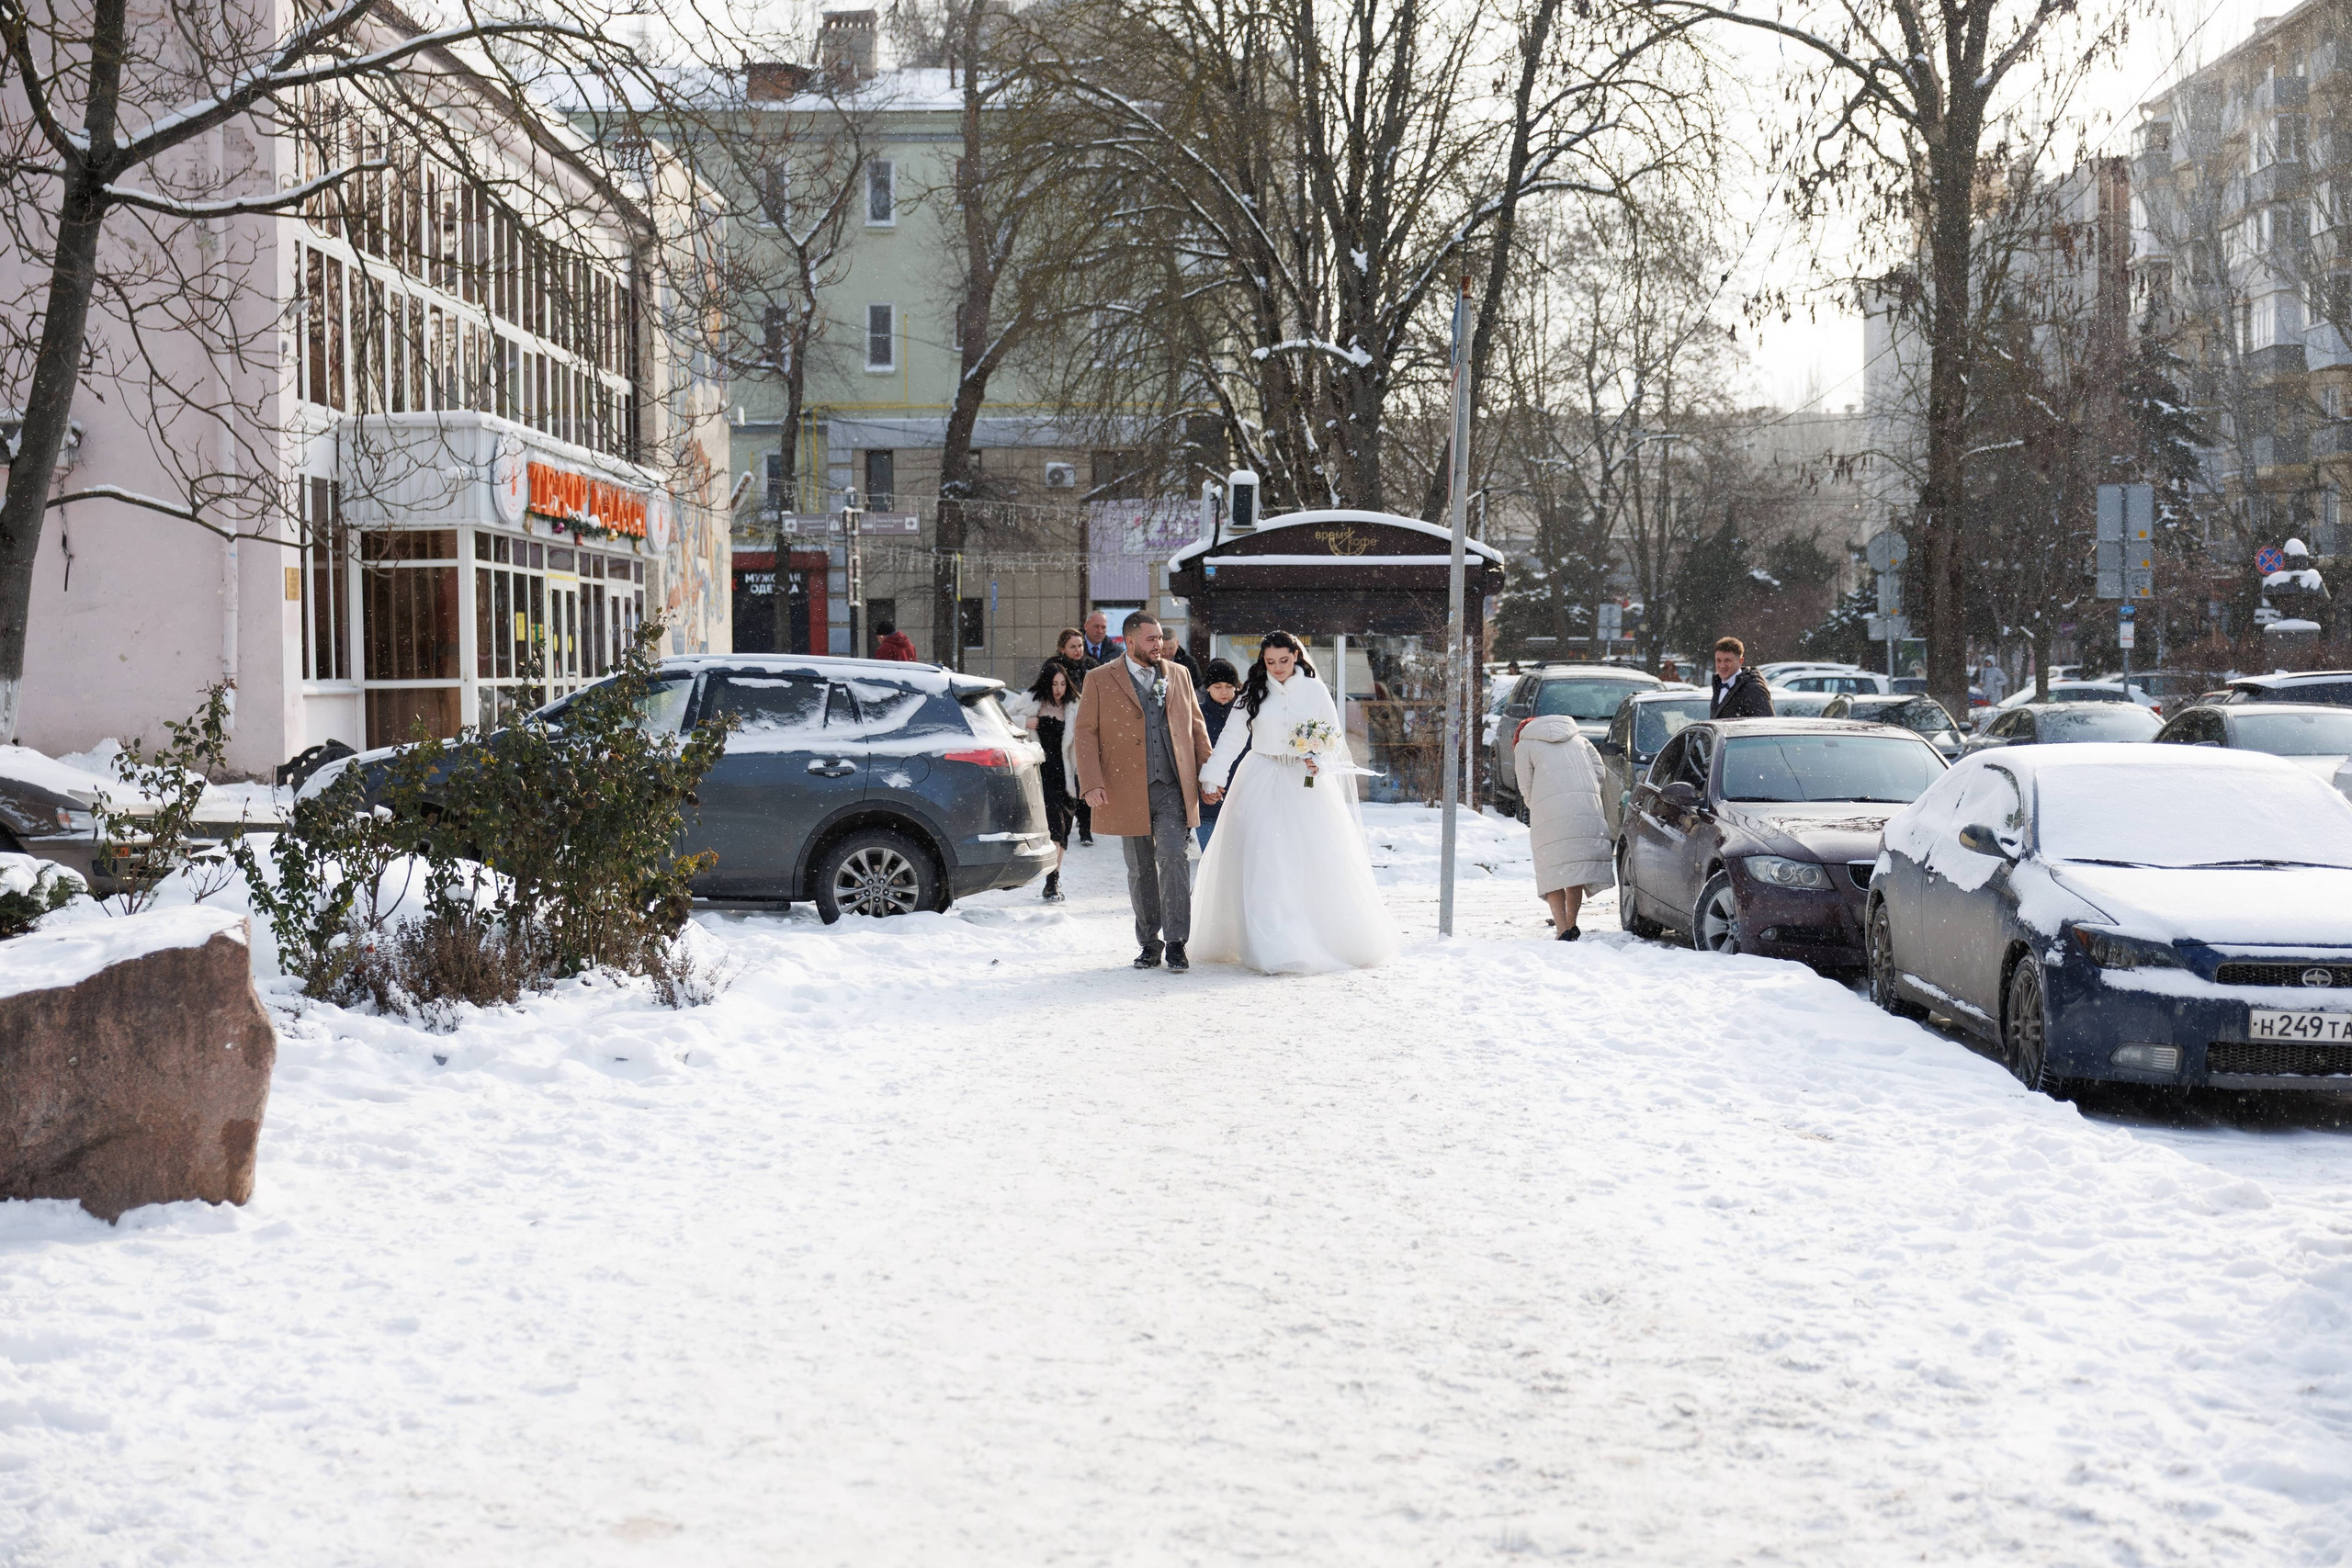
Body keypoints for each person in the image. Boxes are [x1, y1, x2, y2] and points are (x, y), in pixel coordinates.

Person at [1193, 631, 1401, 975]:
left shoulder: (1315, 690)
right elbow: (1232, 736)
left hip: (1305, 785)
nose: (1277, 668)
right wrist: (1213, 774)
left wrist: (1318, 758)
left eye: (1284, 661)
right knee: (1265, 857)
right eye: (1270, 662)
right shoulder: (1253, 692)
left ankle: (1313, 935)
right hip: (1260, 776)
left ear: (1296, 656)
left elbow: (1333, 737)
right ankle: (1270, 941)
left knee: (1310, 859)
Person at [1072, 612, 1215, 972]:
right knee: (1139, 869)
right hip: (1125, 787)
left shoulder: (1178, 674)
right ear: (1130, 642)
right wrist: (1091, 782)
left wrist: (1208, 775)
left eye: (1161, 639)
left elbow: (1197, 728)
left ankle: (1178, 942)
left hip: (1171, 785)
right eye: (1151, 639)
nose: (1160, 645)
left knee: (1173, 858)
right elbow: (1085, 733)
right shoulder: (1099, 679)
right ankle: (1150, 943)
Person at [1512, 710, 1612, 941]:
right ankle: (1572, 923)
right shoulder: (1580, 739)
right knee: (1573, 870)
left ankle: (1562, 930)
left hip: (1549, 814)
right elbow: (1600, 772)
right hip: (1584, 810)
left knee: (1553, 873)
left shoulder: (1525, 746)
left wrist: (1541, 803)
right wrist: (1581, 791)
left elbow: (1525, 787)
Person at [1050, 627, 1099, 844]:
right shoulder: (1053, 668)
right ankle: (1063, 828)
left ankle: (1085, 829)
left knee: (1084, 780)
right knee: (1065, 783)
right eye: (1073, 646)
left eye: (1080, 645)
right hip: (1060, 734)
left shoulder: (1091, 667)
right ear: (1062, 648)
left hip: (1086, 732)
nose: (1078, 650)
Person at [1194, 658, 1243, 850]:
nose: (1224, 692)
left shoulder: (1244, 714)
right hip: (1207, 799)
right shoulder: (1198, 715)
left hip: (1239, 794)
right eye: (1218, 686)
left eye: (1229, 686)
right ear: (1208, 687)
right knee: (1210, 856)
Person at [1709, 636, 1772, 718]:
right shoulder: (1718, 685)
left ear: (1740, 661)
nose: (1722, 666)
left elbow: (1766, 725)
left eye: (1728, 660)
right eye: (1718, 660)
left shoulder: (1753, 689)